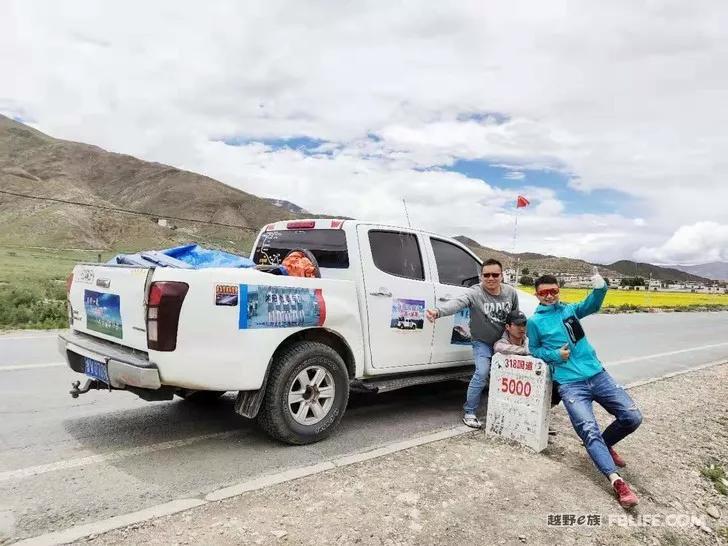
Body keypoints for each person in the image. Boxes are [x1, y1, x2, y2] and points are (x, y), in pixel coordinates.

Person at [526, 269, 642, 509]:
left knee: (632, 417)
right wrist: (555, 355)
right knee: (588, 430)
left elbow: (593, 303)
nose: (549, 296)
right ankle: (616, 481)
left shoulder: (570, 310)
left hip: (597, 375)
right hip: (570, 384)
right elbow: (535, 350)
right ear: (537, 295)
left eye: (553, 291)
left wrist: (600, 286)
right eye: (544, 292)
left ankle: (605, 444)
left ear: (559, 291)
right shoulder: (535, 322)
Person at [426, 258, 519, 429]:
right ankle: (469, 411)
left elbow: (515, 318)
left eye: (495, 275)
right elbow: (457, 303)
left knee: (511, 374)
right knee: (482, 372)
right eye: (486, 275)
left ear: (502, 275)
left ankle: (512, 411)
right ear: (481, 276)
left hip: (504, 341)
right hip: (481, 341)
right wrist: (438, 311)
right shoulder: (474, 292)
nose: (491, 278)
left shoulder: (511, 293)